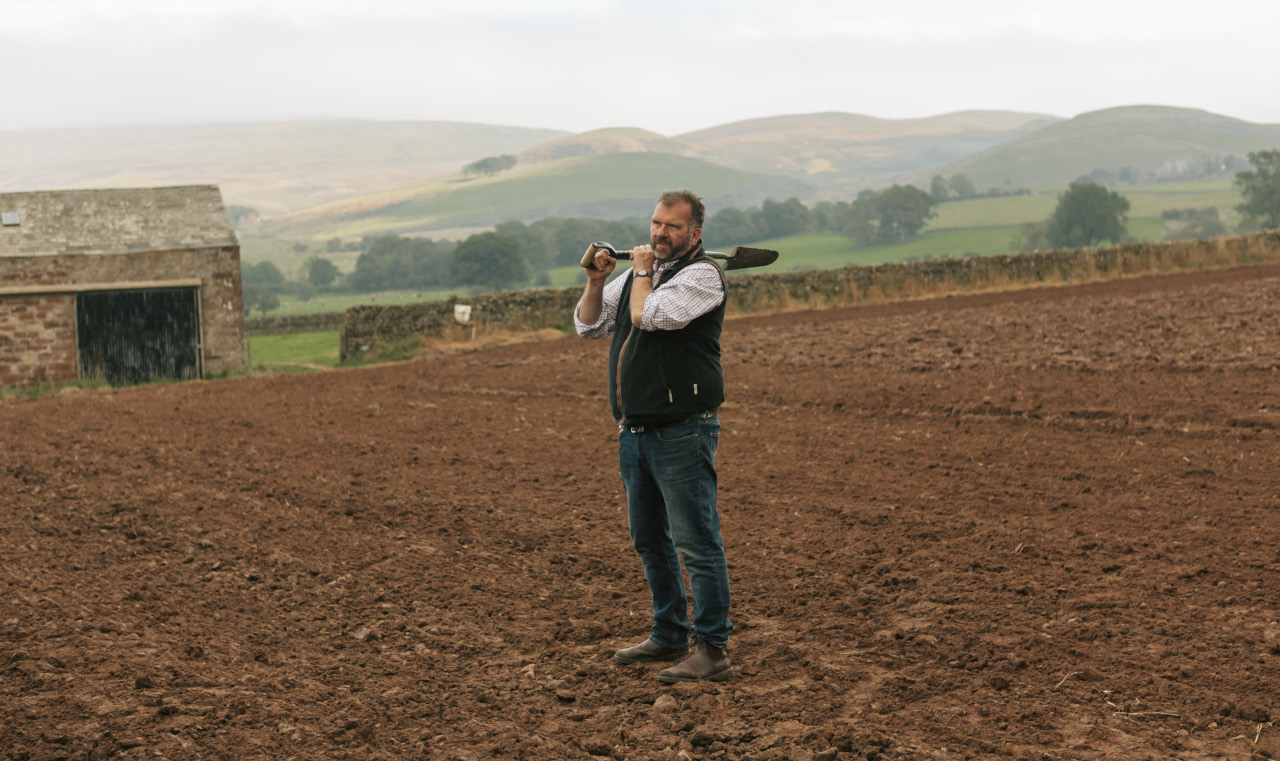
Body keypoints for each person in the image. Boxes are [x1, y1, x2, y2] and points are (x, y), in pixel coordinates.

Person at [574, 189, 733, 683]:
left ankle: (712, 649)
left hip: (683, 430)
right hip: (635, 431)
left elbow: (651, 316)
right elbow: (591, 325)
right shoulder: (641, 277)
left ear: (695, 234)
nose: (660, 233)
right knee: (649, 539)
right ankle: (669, 631)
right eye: (655, 223)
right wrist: (597, 281)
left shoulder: (703, 276)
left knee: (696, 542)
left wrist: (641, 273)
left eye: (672, 227)